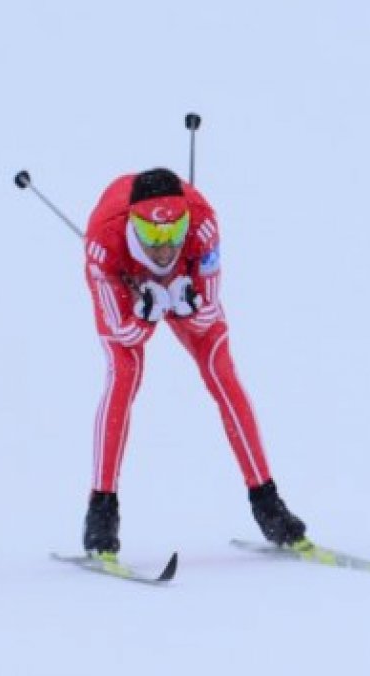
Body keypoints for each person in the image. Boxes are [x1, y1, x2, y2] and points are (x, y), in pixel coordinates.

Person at [80, 167, 305, 556]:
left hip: (185, 281)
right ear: (135, 227)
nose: (164, 248)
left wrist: (189, 304)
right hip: (125, 284)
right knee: (124, 377)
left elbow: (209, 312)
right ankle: (101, 511)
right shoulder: (103, 246)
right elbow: (124, 335)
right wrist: (147, 313)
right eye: (152, 236)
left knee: (222, 373)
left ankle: (268, 503)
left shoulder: (202, 228)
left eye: (173, 234)